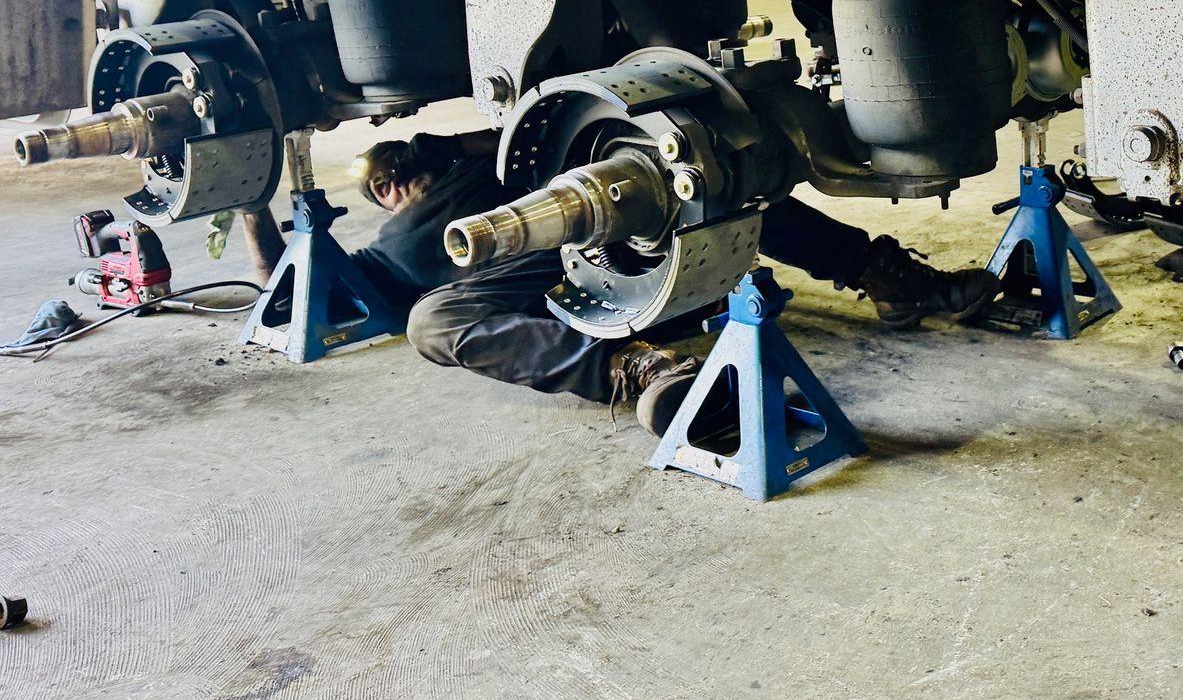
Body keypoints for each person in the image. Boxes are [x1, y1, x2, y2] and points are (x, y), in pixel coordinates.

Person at [239, 131, 998, 427]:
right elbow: (288, 288)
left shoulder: (476, 160)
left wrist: (451, 144)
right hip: (521, 290)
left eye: (405, 170)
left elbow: (522, 132)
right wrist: (250, 203)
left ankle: (891, 279)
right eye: (387, 182)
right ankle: (639, 372)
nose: (398, 186)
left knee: (720, 188)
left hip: (593, 235)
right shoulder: (388, 251)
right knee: (427, 325)